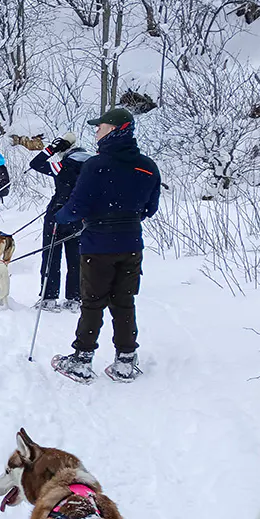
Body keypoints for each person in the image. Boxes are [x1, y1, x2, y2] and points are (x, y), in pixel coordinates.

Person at [51, 107, 161, 384]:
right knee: (124, 302)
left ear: (114, 129)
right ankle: (125, 361)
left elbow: (76, 207)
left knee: (93, 303)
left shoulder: (97, 165)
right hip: (131, 244)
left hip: (98, 246)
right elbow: (150, 208)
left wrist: (59, 217)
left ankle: (82, 359)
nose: (96, 132)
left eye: (99, 127)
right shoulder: (147, 166)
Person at [29, 132, 91, 312]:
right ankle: (75, 298)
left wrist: (52, 148)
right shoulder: (92, 168)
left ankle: (49, 297)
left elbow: (35, 164)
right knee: (76, 259)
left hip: (56, 215)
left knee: (50, 257)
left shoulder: (63, 165)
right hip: (80, 218)